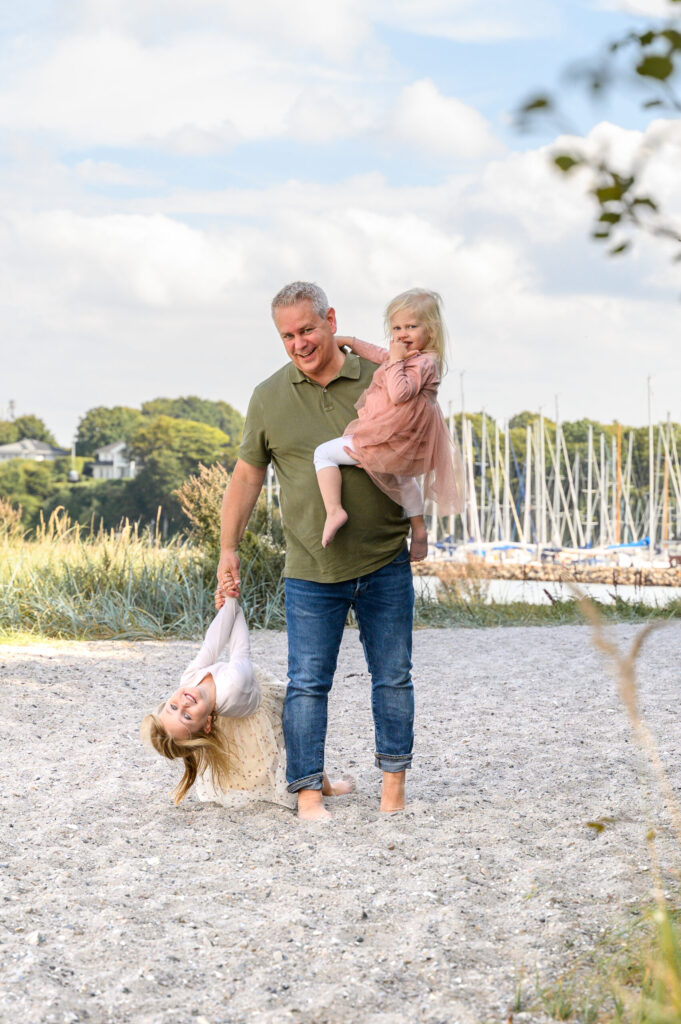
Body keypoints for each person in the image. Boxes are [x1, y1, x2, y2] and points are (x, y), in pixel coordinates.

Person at [218, 281, 417, 821]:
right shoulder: (268, 396)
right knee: (308, 682)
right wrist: (228, 550)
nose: (299, 343)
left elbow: (420, 427)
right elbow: (246, 478)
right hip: (309, 568)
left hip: (385, 558)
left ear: (331, 319)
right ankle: (307, 791)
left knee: (393, 676)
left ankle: (393, 789)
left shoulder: (378, 377)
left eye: (307, 329)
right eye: (287, 335)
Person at [140, 594, 352, 811]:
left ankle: (325, 785)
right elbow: (240, 649)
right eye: (187, 716)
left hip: (242, 710)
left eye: (172, 707)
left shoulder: (188, 680)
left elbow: (212, 644)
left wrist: (226, 607)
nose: (183, 704)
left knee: (297, 741)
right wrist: (232, 601)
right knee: (294, 741)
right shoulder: (234, 686)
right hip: (259, 712)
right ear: (206, 725)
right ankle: (327, 787)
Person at [313, 289, 463, 557]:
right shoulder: (414, 357)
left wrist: (395, 359)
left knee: (323, 454)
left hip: (390, 435)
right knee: (402, 478)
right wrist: (349, 341)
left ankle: (334, 511)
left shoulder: (426, 363)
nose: (402, 333)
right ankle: (418, 530)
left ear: (432, 329)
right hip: (400, 438)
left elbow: (399, 392)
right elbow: (380, 354)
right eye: (397, 327)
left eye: (411, 326)